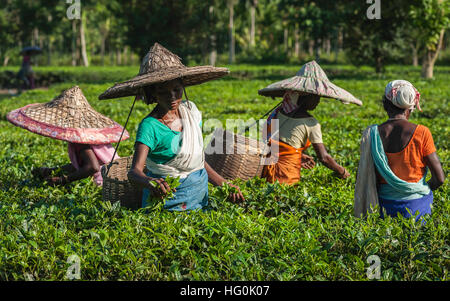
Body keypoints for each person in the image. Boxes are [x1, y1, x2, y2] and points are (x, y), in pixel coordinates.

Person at [99, 43, 245, 211]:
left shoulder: (191, 112)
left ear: (183, 86)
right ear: (152, 94)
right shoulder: (150, 126)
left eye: (177, 89)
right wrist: (150, 182)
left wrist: (225, 185)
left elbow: (198, 160)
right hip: (165, 201)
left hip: (199, 196)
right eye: (163, 92)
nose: (173, 97)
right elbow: (134, 172)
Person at [258, 60, 362, 185]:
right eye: (315, 97)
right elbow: (324, 158)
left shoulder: (278, 113)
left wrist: (299, 156)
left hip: (265, 172)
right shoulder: (311, 123)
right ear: (304, 97)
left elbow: (275, 144)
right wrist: (343, 172)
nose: (318, 101)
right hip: (286, 177)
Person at [354, 80, 445, 220]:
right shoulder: (422, 133)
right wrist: (417, 190)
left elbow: (368, 175)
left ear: (385, 104)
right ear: (411, 107)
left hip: (383, 205)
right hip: (417, 206)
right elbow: (439, 179)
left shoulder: (373, 133)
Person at [7, 86, 129, 186]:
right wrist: (51, 171)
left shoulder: (79, 138)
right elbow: (82, 165)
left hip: (107, 184)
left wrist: (63, 180)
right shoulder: (91, 133)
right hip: (118, 175)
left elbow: (92, 167)